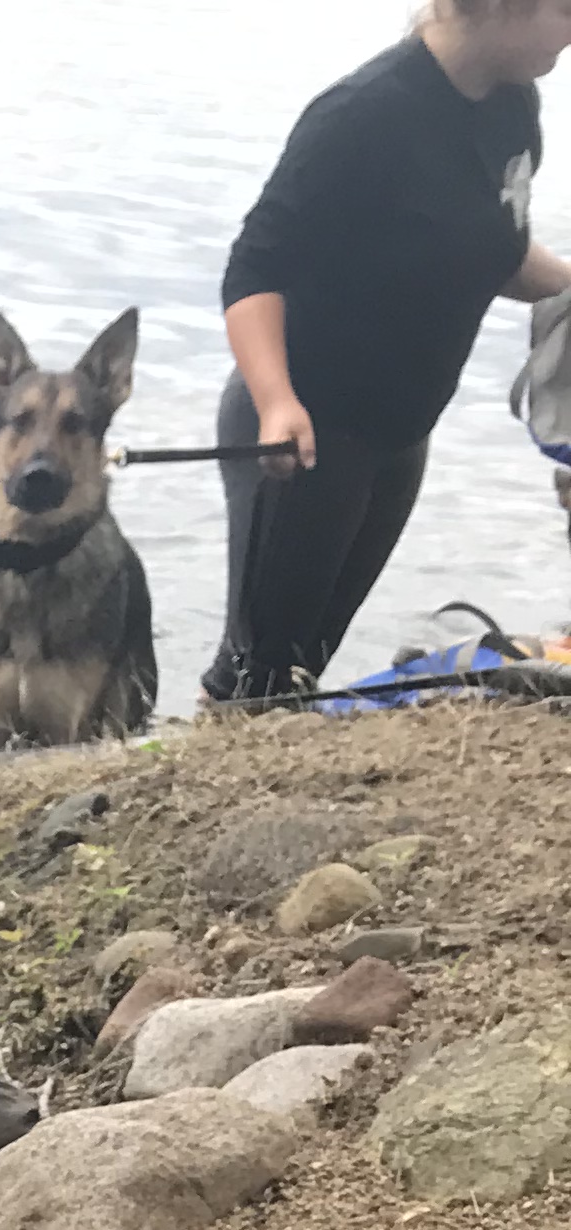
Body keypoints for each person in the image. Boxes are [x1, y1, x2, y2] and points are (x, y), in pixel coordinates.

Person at [206, 0, 571, 705]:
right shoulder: (361, 116)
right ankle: (200, 750)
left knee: (307, 660)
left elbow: (493, 247)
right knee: (259, 669)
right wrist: (277, 402)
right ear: (501, 8)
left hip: (401, 431)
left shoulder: (513, 107)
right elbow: (253, 270)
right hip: (307, 426)